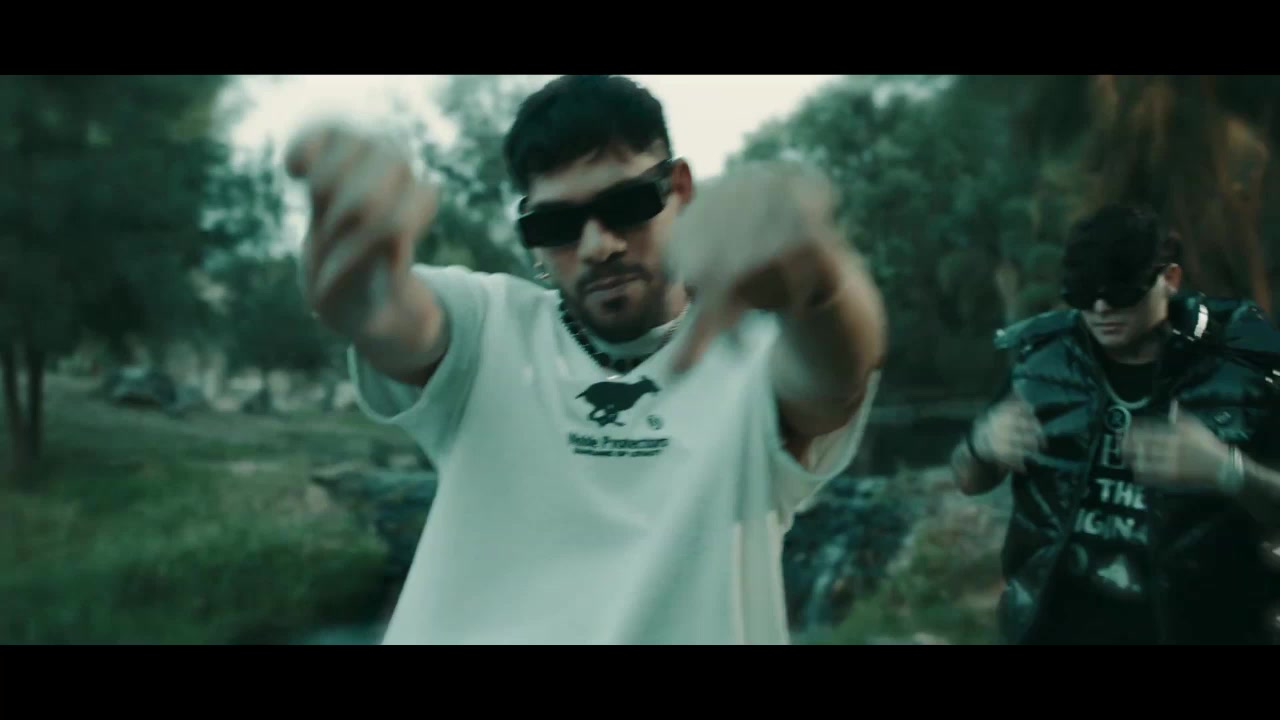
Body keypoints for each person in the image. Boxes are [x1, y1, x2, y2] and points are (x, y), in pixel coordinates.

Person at [284, 75, 887, 644]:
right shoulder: (486, 325)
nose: (599, 246)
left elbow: (837, 373)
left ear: (679, 191)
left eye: (626, 204)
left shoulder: (757, 355)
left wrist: (819, 280)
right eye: (557, 224)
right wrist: (354, 262)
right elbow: (392, 315)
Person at [950, 204, 1280, 645]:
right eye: (1084, 293)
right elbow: (969, 478)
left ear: (1170, 279)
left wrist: (1227, 470)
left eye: (1122, 291)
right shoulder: (1042, 363)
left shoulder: (1243, 369)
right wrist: (981, 445)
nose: (1102, 308)